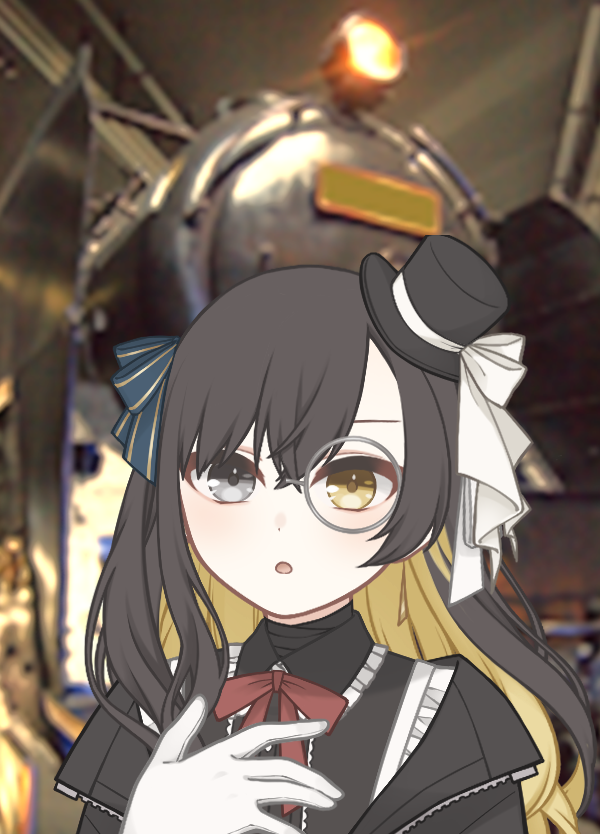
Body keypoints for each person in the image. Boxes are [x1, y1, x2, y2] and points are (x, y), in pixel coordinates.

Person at [55, 236, 596, 834]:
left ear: (426, 508)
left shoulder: (456, 713)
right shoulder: (150, 701)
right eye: (230, 475)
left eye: (352, 481)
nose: (281, 523)